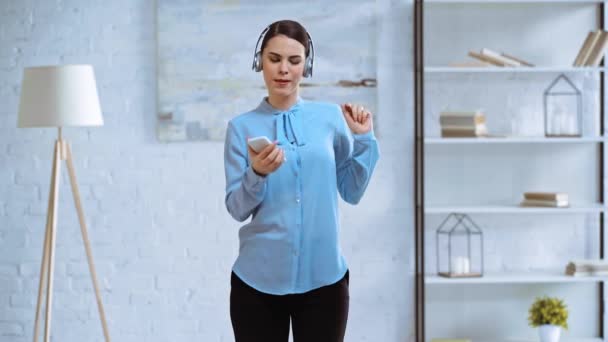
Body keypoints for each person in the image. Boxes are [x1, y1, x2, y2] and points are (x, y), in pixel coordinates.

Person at [223, 19, 379, 342]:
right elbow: (236, 208)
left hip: (325, 281)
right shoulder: (241, 128)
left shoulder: (331, 118)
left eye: (294, 61)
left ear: (306, 65)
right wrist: (257, 174)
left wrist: (363, 139)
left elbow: (351, 190)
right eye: (274, 58)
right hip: (257, 283)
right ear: (260, 62)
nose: (284, 69)